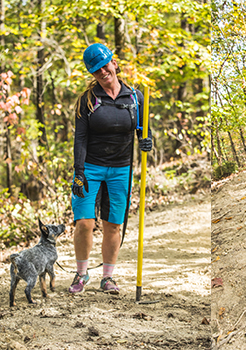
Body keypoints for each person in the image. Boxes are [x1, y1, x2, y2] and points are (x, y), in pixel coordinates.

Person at [69, 43, 152, 295]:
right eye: (96, 70)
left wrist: (147, 141)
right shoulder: (87, 100)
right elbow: (80, 138)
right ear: (92, 74)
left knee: (112, 225)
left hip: (121, 170)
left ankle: (108, 278)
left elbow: (142, 131)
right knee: (84, 222)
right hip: (90, 168)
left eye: (105, 65)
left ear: (114, 63)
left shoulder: (135, 98)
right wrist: (79, 171)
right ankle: (82, 274)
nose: (103, 72)